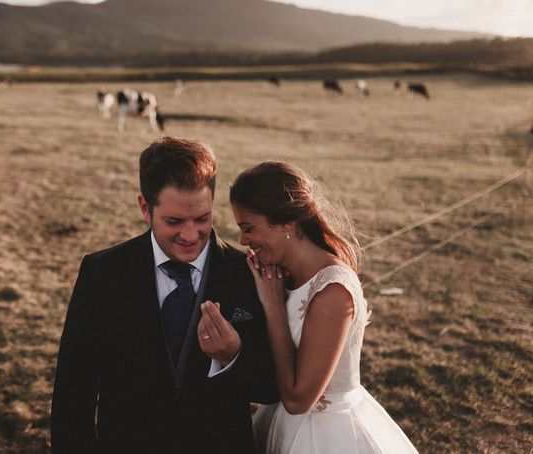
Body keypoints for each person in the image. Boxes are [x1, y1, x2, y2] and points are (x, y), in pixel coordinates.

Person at [51, 137, 276, 453]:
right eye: (174, 221)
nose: (190, 235)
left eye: (202, 218)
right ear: (145, 207)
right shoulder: (102, 273)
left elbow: (273, 388)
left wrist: (233, 355)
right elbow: (74, 391)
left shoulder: (248, 274)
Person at [223, 161, 417, 453]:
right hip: (278, 422)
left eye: (249, 228)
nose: (243, 240)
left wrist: (273, 305)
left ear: (287, 221)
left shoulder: (333, 291)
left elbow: (299, 400)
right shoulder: (279, 275)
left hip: (330, 434)